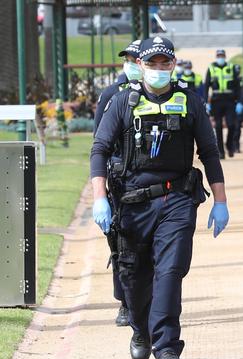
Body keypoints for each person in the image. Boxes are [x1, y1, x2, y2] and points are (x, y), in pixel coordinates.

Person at [90, 36, 230, 359]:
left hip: (177, 198)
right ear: (141, 65)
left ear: (173, 64)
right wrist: (100, 198)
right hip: (132, 201)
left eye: (164, 63)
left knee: (169, 271)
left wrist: (221, 201)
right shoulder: (123, 103)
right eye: (151, 63)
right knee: (135, 276)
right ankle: (140, 329)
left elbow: (209, 153)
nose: (158, 69)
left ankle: (166, 345)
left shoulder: (189, 101)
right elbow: (99, 150)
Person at [93, 39, 142, 327]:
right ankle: (124, 302)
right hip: (119, 181)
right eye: (129, 59)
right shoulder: (111, 94)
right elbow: (99, 141)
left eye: (137, 59)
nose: (132, 64)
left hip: (147, 177)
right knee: (120, 243)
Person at [204, 49, 242, 158]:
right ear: (216, 56)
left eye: (222, 55)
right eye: (219, 55)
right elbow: (206, 86)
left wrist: (239, 102)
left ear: (225, 56)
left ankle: (229, 145)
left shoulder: (231, 68)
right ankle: (221, 151)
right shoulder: (211, 68)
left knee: (231, 125)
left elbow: (238, 86)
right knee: (218, 126)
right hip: (216, 101)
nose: (220, 57)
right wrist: (206, 102)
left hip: (230, 101)